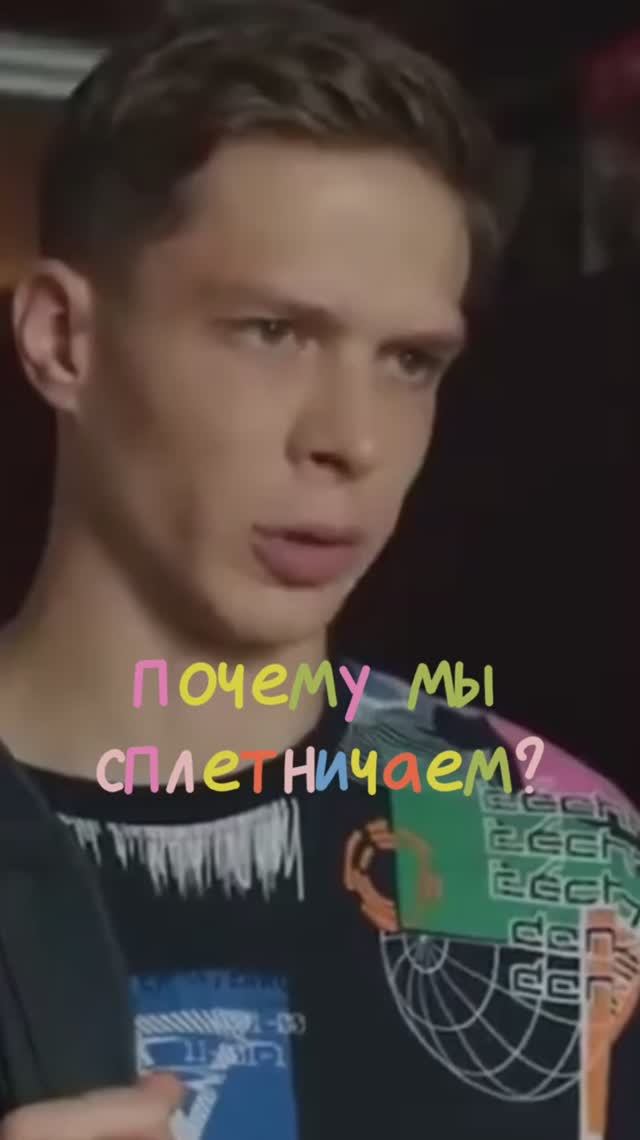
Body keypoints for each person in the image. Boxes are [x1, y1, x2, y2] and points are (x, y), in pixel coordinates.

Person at [0, 2, 637, 1138]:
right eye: (272, 333)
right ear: (63, 339)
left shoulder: (565, 846)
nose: (352, 438)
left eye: (409, 361)